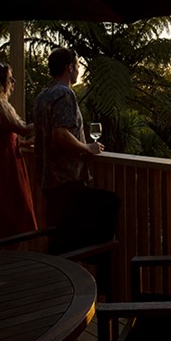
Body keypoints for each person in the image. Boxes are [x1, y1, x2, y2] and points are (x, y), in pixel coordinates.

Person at [33, 47, 105, 230]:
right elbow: (60, 134)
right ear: (69, 68)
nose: (79, 70)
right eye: (77, 65)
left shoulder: (42, 96)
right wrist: (88, 148)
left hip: (47, 178)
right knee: (70, 237)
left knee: (56, 234)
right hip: (65, 179)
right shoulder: (65, 93)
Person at [0, 62, 38, 242]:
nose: (13, 81)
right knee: (12, 214)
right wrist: (44, 118)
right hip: (6, 167)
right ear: (0, 83)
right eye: (10, 78)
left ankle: (5, 260)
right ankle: (8, 262)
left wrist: (23, 144)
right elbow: (23, 129)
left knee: (2, 213)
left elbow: (1, 138)